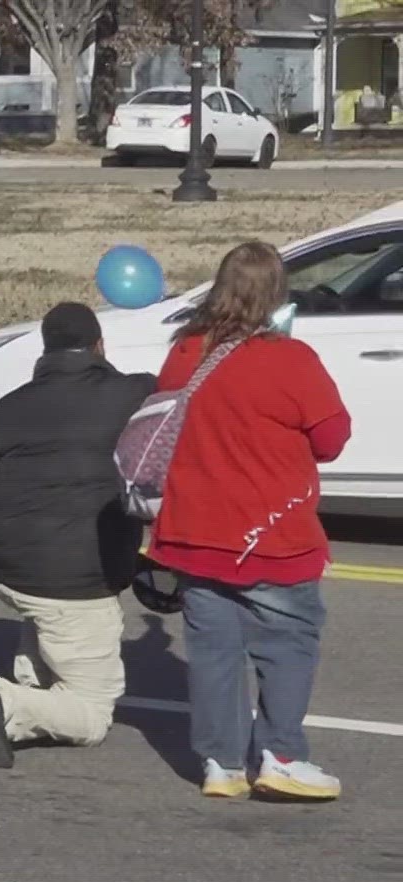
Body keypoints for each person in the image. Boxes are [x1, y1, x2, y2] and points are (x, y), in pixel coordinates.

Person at [147, 241, 350, 802]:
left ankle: (221, 762)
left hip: (192, 533)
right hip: (271, 537)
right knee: (287, 645)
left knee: (214, 651)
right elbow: (331, 439)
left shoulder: (186, 352)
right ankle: (282, 754)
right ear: (277, 295)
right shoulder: (291, 360)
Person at [0, 303, 156, 768]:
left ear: (46, 350)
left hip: (5, 566)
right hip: (77, 577)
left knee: (46, 609)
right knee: (92, 714)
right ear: (101, 345)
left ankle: (32, 689)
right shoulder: (134, 394)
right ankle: (3, 702)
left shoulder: (6, 409)